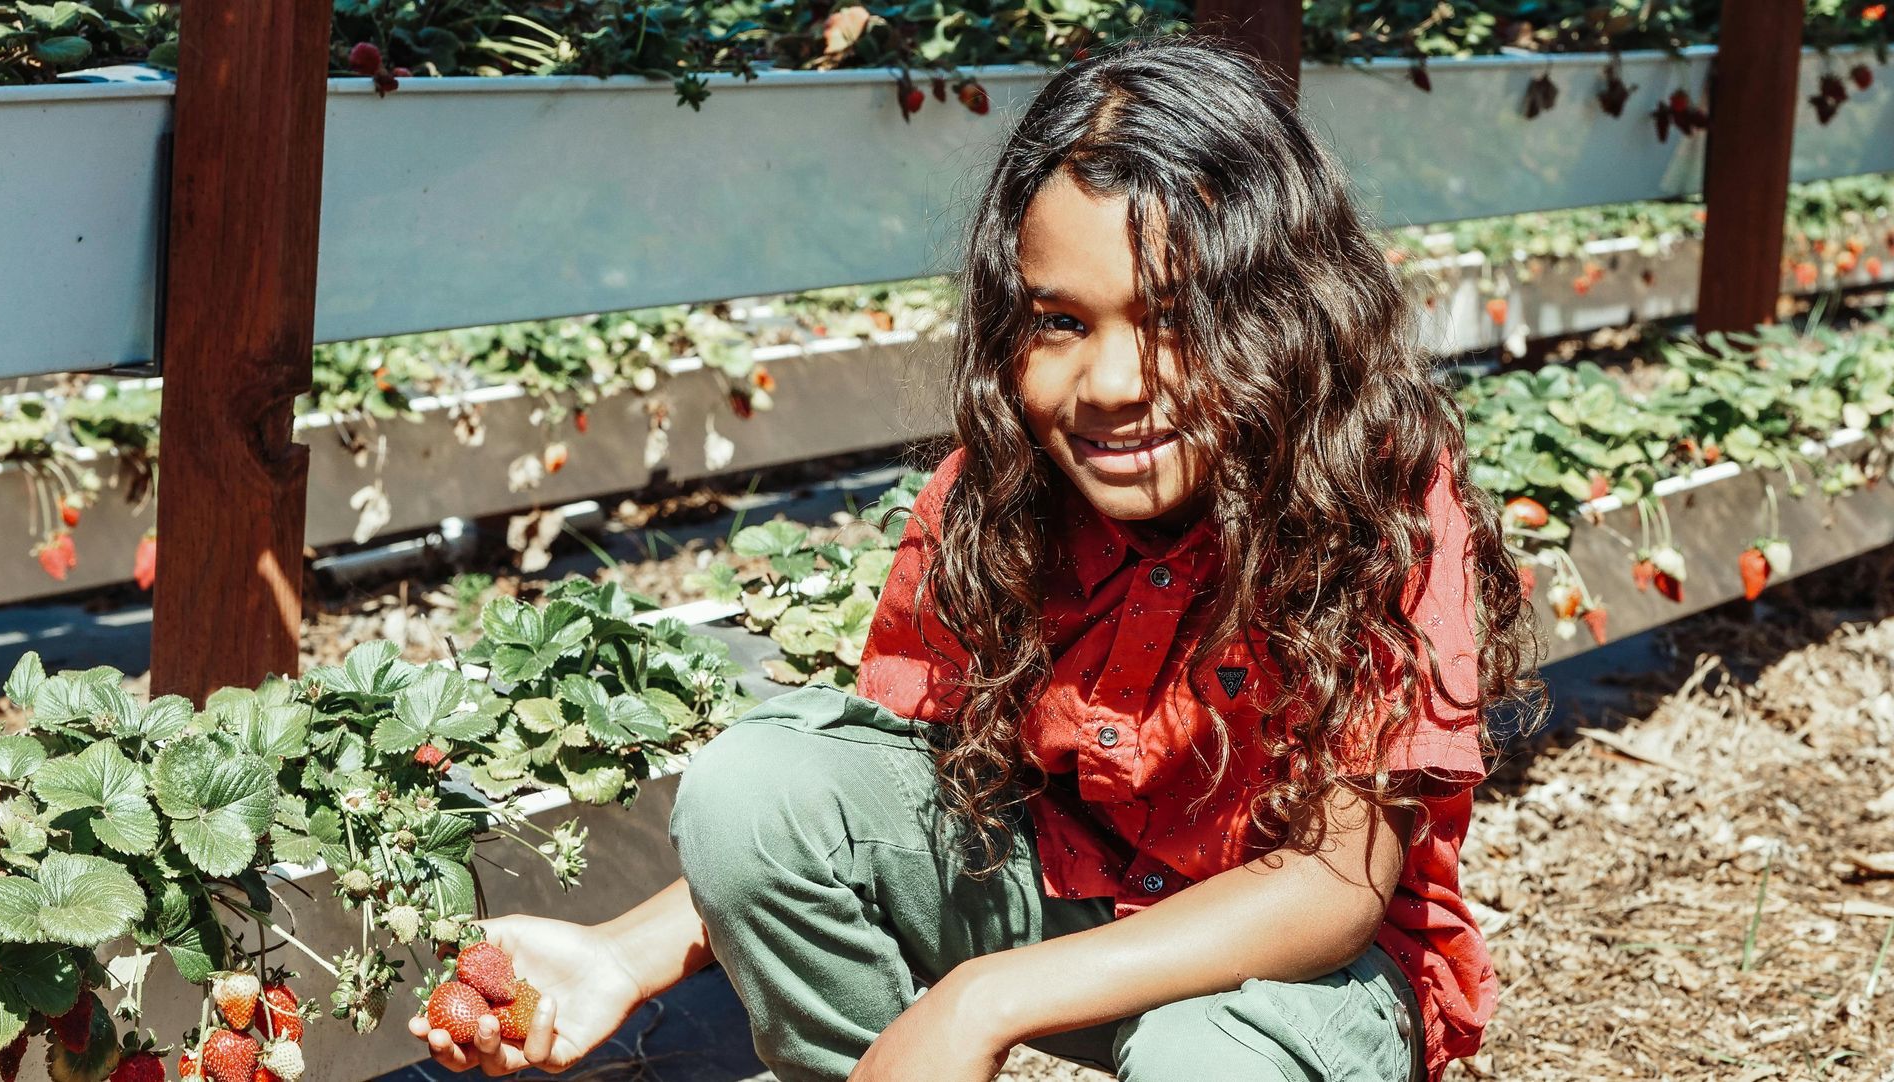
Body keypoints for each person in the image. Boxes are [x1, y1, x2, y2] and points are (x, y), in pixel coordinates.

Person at [410, 30, 1542, 1082]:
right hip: (1070, 890)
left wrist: (980, 996)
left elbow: (1334, 890)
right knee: (759, 786)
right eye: (1059, 321)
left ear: (1288, 316)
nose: (1109, 383)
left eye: (1174, 317)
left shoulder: (1375, 502)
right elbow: (893, 790)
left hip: (1297, 982)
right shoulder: (999, 493)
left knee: (1210, 1058)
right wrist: (624, 951)